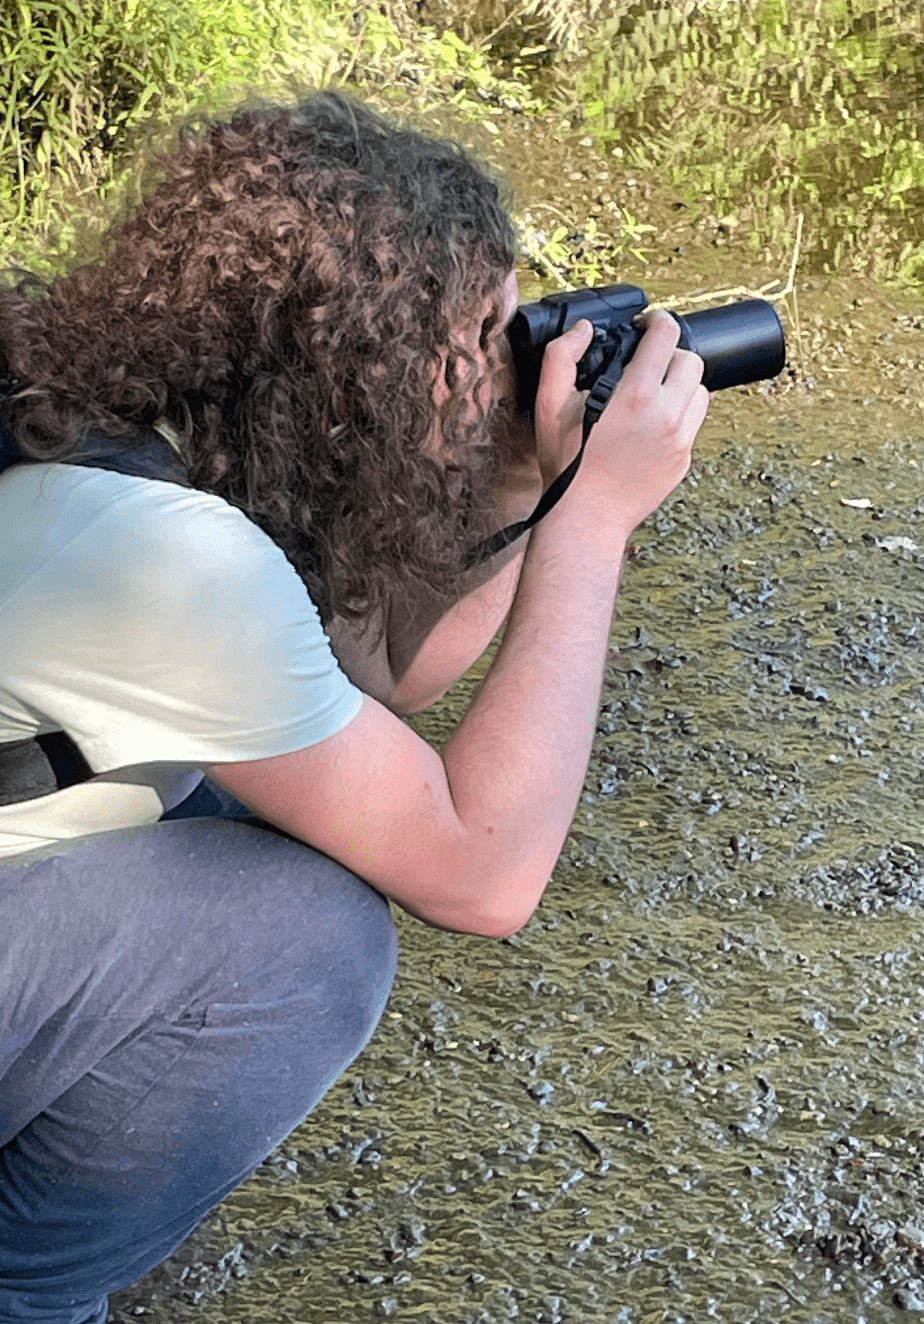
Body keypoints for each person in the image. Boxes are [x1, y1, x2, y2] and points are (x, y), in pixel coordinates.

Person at [0, 88, 709, 1322]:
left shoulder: (109, 419)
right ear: (365, 360)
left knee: (278, 794)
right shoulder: (172, 563)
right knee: (309, 937)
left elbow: (369, 691)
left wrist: (516, 488)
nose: (510, 360)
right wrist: (594, 522)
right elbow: (484, 872)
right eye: (486, 335)